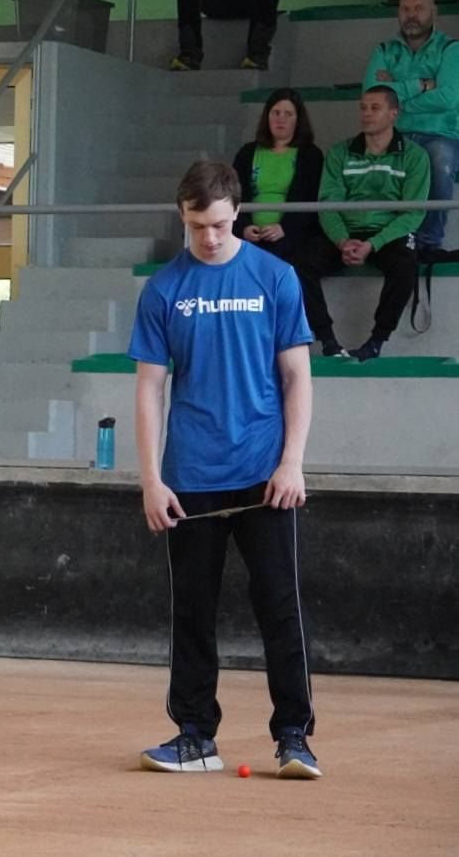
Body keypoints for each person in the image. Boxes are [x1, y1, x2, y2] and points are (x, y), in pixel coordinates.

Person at [130, 159, 319, 780]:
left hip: (266, 477)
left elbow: (297, 377)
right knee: (192, 611)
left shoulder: (275, 277)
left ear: (236, 211)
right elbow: (150, 389)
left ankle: (294, 736)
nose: (208, 237)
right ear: (181, 217)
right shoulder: (163, 290)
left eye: (217, 224)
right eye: (195, 226)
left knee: (280, 608)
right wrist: (151, 479)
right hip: (190, 479)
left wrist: (292, 463)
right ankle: (195, 737)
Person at [292, 86, 431, 362]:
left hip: (387, 233)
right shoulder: (339, 152)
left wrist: (373, 244)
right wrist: (342, 241)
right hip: (346, 233)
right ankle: (327, 340)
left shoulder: (415, 156)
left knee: (405, 264)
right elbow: (328, 205)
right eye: (363, 107)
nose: (366, 113)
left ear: (393, 113)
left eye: (375, 108)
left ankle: (377, 340)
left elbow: (413, 213)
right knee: (299, 264)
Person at [364, 0, 458, 258]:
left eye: (418, 8)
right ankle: (388, 239)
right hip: (396, 133)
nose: (411, 15)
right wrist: (422, 85)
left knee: (439, 158)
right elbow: (372, 94)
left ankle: (428, 243)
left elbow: (449, 98)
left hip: (441, 135)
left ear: (434, 12)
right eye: (405, 9)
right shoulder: (385, 50)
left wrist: (397, 98)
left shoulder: (451, 49)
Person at [232, 88, 324, 261]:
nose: (281, 118)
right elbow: (232, 196)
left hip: (292, 237)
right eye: (276, 113)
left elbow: (311, 201)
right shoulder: (247, 153)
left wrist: (284, 228)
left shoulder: (311, 155)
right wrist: (244, 228)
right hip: (250, 236)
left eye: (288, 114)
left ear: (298, 119)